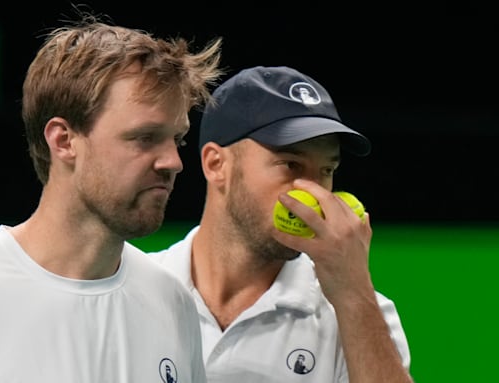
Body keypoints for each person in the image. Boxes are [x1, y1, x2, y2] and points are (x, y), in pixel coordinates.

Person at [0, 12, 223, 383]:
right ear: (63, 140)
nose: (174, 162)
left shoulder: (171, 302)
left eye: (176, 139)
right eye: (144, 137)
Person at [150, 66, 413, 382]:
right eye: (291, 165)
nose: (313, 194)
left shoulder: (359, 314)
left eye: (327, 170)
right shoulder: (138, 290)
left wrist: (354, 294)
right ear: (215, 164)